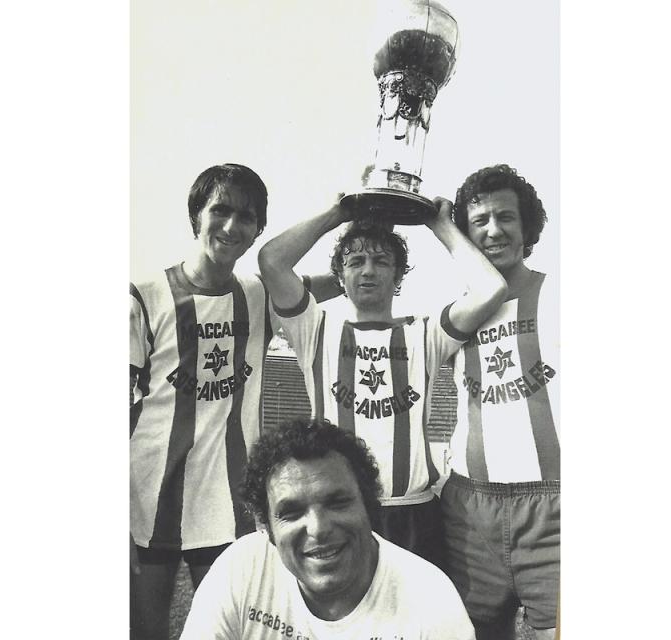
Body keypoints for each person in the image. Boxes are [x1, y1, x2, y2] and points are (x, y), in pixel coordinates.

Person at [129, 164, 340, 640]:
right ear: (195, 216)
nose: (230, 226)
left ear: (258, 230)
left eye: (246, 217)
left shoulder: (256, 294)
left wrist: (353, 213)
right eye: (219, 210)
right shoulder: (143, 297)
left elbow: (341, 279)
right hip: (148, 500)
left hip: (227, 502)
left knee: (233, 630)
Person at [257, 197, 508, 569]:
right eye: (356, 262)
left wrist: (437, 223)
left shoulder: (426, 333)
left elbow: (491, 289)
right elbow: (271, 261)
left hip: (414, 513)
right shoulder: (316, 329)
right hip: (340, 512)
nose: (368, 270)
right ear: (340, 277)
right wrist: (338, 212)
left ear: (399, 274)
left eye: (381, 261)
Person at [180, 417, 476, 639]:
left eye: (337, 503)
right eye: (291, 512)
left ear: (369, 507)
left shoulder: (431, 600)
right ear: (266, 527)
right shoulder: (240, 570)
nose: (318, 528)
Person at [440, 164, 560, 640]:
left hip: (553, 506)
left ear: (527, 226)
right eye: (480, 221)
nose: (494, 230)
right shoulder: (456, 314)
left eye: (506, 217)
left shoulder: (560, 294)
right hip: (470, 510)